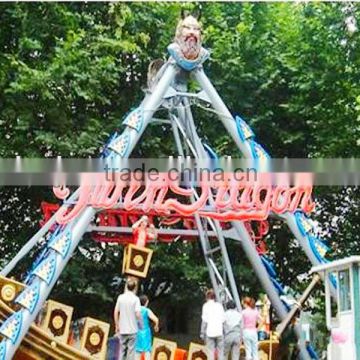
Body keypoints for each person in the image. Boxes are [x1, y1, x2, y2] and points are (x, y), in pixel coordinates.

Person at [114, 279, 142, 360]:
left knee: (121, 351)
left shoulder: (120, 297)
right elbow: (138, 314)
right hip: (133, 330)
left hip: (122, 329)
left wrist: (117, 325)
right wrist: (141, 325)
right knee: (131, 352)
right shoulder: (136, 299)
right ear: (134, 288)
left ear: (126, 286)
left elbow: (116, 312)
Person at [200, 289, 225, 360]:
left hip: (210, 332)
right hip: (219, 331)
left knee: (210, 352)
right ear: (214, 297)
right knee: (221, 352)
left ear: (207, 297)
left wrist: (202, 333)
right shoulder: (219, 306)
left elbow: (204, 321)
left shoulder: (205, 306)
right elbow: (223, 320)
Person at [135, 295, 160, 360]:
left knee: (137, 351)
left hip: (137, 332)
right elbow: (156, 319)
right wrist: (156, 326)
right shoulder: (147, 310)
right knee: (147, 352)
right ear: (146, 302)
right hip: (145, 333)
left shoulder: (135, 309)